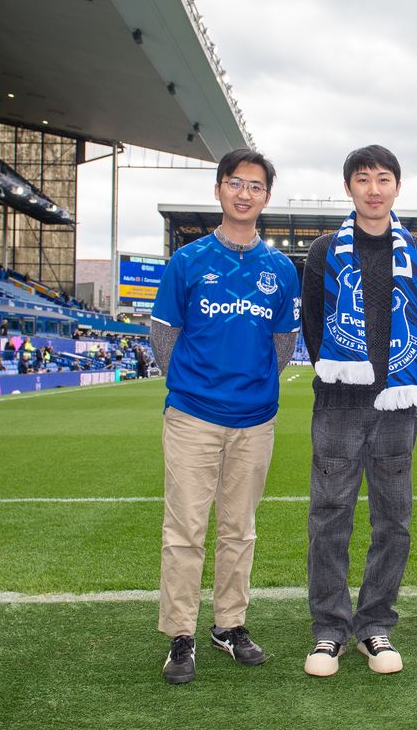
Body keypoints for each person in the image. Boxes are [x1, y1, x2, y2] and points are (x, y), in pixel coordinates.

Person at [148, 148, 301, 685]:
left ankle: (229, 624)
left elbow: (284, 342)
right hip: (192, 415)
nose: (244, 193)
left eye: (255, 186)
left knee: (240, 528)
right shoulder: (187, 262)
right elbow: (162, 336)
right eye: (235, 183)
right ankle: (181, 634)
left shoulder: (281, 269)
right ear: (219, 190)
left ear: (265, 197)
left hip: (255, 419)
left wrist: (250, 387)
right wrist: (196, 386)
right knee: (185, 528)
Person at [300, 144, 417, 677]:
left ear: (397, 187)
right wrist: (347, 375)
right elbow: (314, 327)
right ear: (349, 188)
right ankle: (329, 630)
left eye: (384, 178)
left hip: (397, 402)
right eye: (363, 179)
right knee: (329, 517)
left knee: (393, 521)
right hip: (339, 402)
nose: (374, 188)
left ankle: (375, 624)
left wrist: (394, 377)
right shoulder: (321, 251)